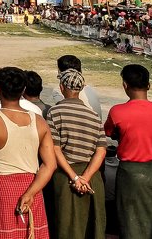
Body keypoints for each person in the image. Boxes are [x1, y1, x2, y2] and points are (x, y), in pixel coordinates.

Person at [103, 63, 152, 239]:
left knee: (129, 218)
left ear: (125, 85)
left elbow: (109, 132)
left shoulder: (117, 111)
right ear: (149, 86)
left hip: (130, 171)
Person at [0, 67, 54, 239]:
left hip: (1, 188)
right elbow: (50, 165)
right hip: (33, 186)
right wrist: (31, 193)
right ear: (23, 90)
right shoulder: (39, 121)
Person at [45, 69, 107, 239]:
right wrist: (85, 178)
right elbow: (101, 150)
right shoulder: (94, 116)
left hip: (66, 176)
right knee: (91, 227)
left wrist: (75, 178)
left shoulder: (55, 112)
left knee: (66, 226)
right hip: (91, 177)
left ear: (62, 87)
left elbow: (55, 149)